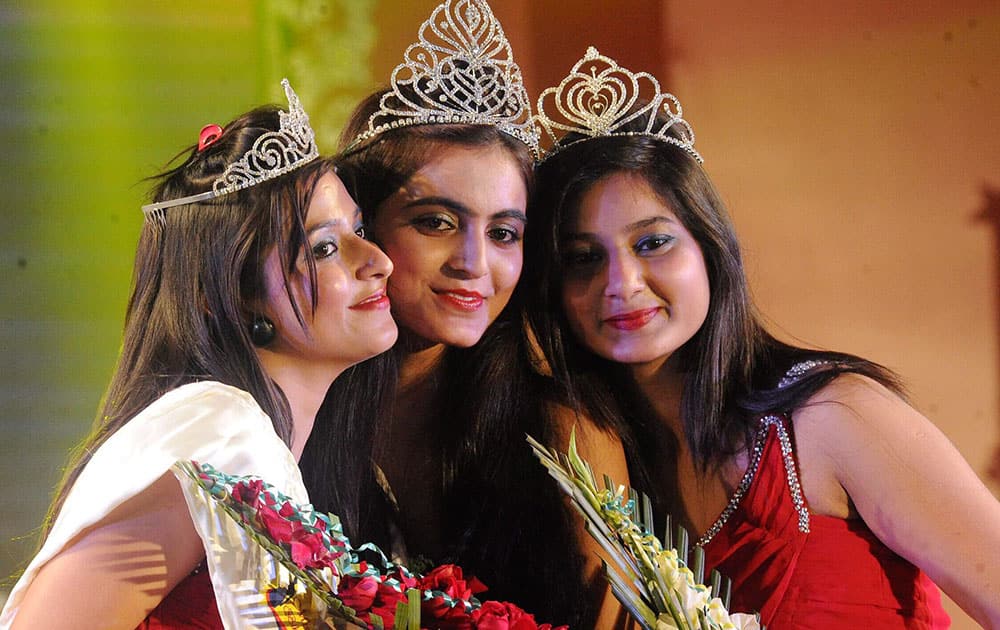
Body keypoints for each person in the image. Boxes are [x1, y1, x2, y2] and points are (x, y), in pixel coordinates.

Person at [526, 47, 1000, 628]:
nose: (620, 284)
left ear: (711, 251)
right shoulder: (594, 472)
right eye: (582, 258)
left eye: (652, 243)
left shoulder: (834, 416)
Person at [0, 79, 397, 629]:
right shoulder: (219, 432)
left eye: (359, 229)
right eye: (323, 247)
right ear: (225, 295)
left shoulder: (266, 445)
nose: (377, 259)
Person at [298, 2, 629, 627]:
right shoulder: (284, 423)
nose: (474, 262)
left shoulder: (567, 437)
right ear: (360, 228)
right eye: (437, 223)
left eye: (504, 232)